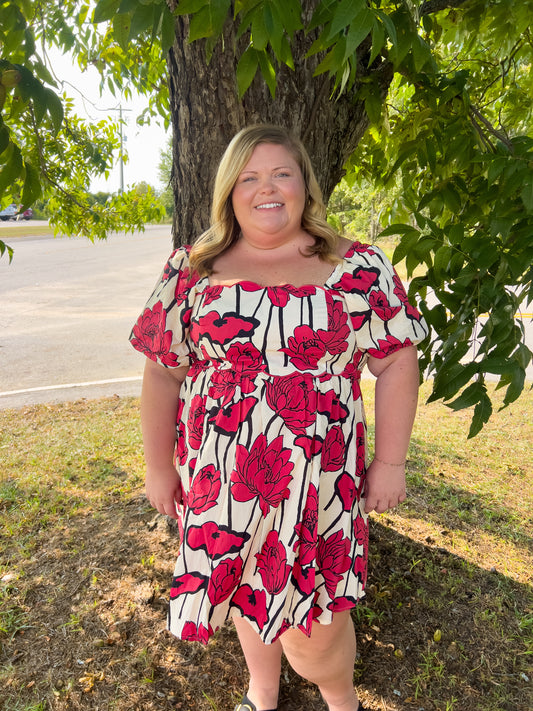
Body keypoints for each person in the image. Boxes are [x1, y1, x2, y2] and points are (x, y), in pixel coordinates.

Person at [130, 124, 428, 711]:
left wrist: (390, 462)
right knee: (243, 586)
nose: (267, 189)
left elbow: (396, 360)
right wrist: (158, 467)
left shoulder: (355, 267)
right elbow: (163, 371)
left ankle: (342, 699)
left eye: (281, 174)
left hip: (318, 478)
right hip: (224, 480)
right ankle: (262, 691)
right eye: (249, 177)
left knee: (315, 625)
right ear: (228, 191)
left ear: (304, 185)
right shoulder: (192, 270)